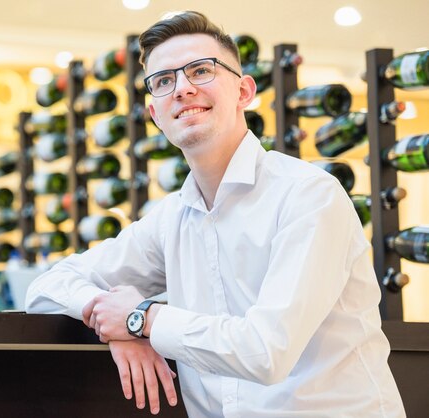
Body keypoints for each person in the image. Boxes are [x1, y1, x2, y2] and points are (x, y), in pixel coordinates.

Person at [26, 10, 405, 418]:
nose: (183, 89)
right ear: (155, 115)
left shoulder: (308, 195)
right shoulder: (170, 219)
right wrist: (114, 321)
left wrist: (142, 319)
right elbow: (48, 287)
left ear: (244, 91)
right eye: (164, 81)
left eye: (200, 70)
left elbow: (266, 352)